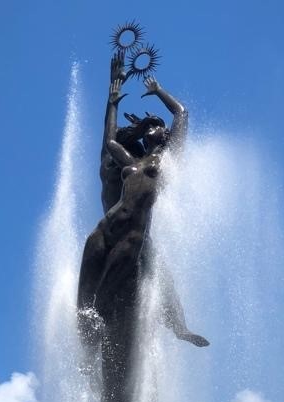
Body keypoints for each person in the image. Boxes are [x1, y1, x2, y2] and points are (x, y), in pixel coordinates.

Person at [77, 59, 208, 362]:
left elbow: (181, 114)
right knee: (83, 304)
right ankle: (85, 357)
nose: (152, 128)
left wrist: (159, 90)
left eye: (157, 125)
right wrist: (112, 100)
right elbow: (109, 140)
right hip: (102, 232)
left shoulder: (167, 161)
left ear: (165, 135)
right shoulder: (130, 162)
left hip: (131, 237)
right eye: (147, 126)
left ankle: (179, 328)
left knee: (108, 299)